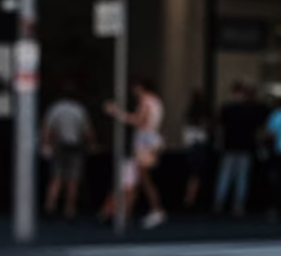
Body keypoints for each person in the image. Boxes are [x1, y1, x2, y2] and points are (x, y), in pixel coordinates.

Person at [104, 79, 167, 229]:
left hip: (146, 142)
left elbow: (139, 121)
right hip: (148, 140)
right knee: (138, 179)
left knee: (142, 178)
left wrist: (117, 113)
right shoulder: (155, 101)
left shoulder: (146, 102)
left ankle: (156, 210)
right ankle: (126, 211)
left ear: (140, 88)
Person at [40, 83, 95, 219]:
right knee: (73, 180)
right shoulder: (79, 110)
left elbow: (47, 128)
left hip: (58, 145)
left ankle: (50, 207)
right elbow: (87, 130)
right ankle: (69, 210)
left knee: (56, 178)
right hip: (74, 146)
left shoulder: (55, 109)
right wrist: (91, 143)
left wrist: (45, 144)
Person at [214, 82, 266, 217]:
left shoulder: (229, 109)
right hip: (243, 147)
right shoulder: (249, 109)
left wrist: (219, 144)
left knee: (227, 176)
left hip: (232, 146)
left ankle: (220, 203)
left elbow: (220, 128)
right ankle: (236, 205)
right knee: (240, 177)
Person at [182, 89, 211, 211]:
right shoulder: (200, 115)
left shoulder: (192, 114)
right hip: (197, 145)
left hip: (193, 144)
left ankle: (190, 198)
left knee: (194, 173)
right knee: (196, 173)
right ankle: (191, 199)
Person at [265, 95, 281, 222]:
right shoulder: (276, 115)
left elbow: (270, 134)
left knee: (276, 180)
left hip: (278, 151)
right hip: (277, 151)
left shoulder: (276, 115)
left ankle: (274, 207)